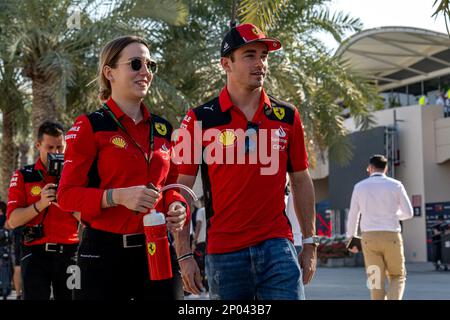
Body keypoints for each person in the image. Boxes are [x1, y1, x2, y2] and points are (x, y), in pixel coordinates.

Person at [173, 23, 318, 300]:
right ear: (226, 63)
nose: (260, 63)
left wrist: (309, 243)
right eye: (250, 55)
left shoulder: (287, 116)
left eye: (264, 55)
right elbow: (183, 190)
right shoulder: (199, 119)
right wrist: (185, 254)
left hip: (278, 246)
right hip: (224, 252)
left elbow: (301, 179)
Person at [57, 35, 189, 300]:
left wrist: (177, 206)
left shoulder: (162, 128)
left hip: (157, 246)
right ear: (110, 72)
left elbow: (171, 185)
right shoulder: (89, 126)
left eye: (150, 65)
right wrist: (117, 196)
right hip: (103, 253)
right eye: (136, 64)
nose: (146, 72)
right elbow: (66, 195)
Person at [6, 121, 79, 300]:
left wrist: (66, 204)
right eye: (50, 147)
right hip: (35, 254)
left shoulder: (76, 176)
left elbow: (88, 219)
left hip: (70, 253)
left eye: (59, 147)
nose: (56, 153)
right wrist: (40, 204)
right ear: (38, 145)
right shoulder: (24, 175)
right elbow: (13, 221)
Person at [346, 154, 413, 300]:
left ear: (370, 168)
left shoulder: (359, 187)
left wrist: (351, 238)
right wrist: (394, 215)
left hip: (369, 238)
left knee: (375, 281)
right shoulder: (396, 185)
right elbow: (409, 213)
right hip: (392, 236)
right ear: (386, 168)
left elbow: (353, 215)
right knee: (397, 276)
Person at [191, 197, 208, 295]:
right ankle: (207, 288)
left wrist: (194, 241)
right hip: (209, 240)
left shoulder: (201, 210)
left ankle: (203, 287)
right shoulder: (209, 210)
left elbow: (198, 225)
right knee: (207, 264)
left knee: (201, 265)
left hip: (201, 241)